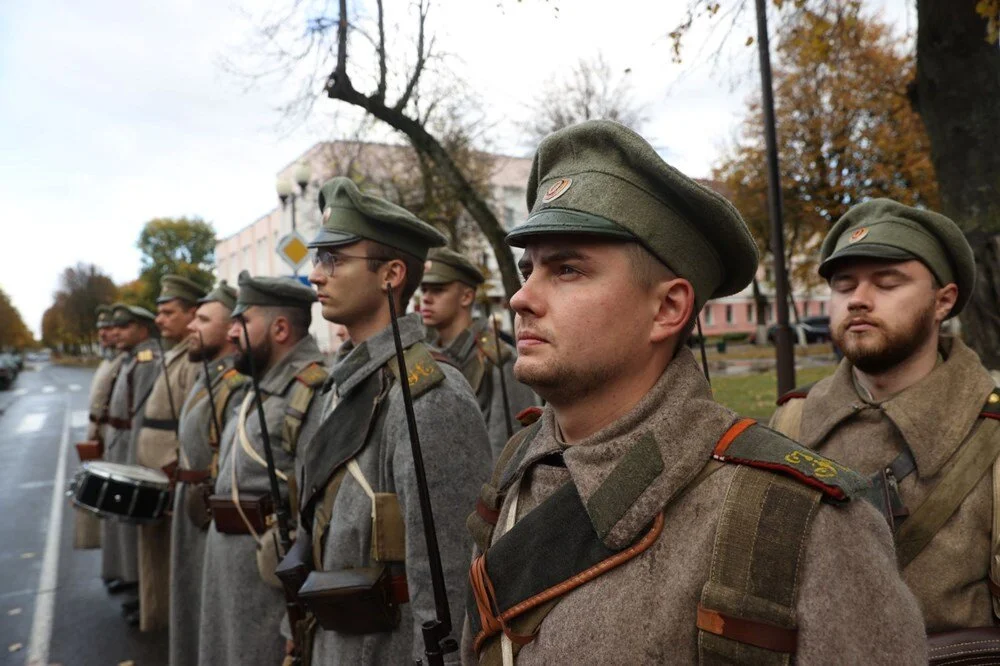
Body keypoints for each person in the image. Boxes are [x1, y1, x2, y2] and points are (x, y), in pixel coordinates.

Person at [461, 121, 926, 664]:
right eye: (528, 270)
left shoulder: (805, 524)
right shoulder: (518, 466)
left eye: (567, 269)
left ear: (668, 309)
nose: (521, 298)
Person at [769, 199, 1000, 641]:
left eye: (887, 283)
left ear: (943, 301)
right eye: (843, 285)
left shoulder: (993, 434)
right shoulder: (790, 425)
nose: (858, 300)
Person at [295, 177, 491, 664]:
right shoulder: (344, 382)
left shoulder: (430, 398)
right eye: (318, 258)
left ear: (392, 274)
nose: (315, 274)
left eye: (333, 259)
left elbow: (448, 584)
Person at [197, 271, 328, 666]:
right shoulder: (262, 386)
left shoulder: (311, 392)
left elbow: (318, 512)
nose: (232, 333)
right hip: (233, 574)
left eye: (243, 322)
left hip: (268, 588)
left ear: (281, 328)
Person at [169, 280, 246, 666]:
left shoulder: (235, 384)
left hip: (210, 511)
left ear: (232, 327)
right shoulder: (208, 375)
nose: (190, 327)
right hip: (193, 509)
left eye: (203, 319)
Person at [133, 275, 206, 631]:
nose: (159, 320)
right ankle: (160, 616)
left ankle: (173, 624)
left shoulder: (192, 360)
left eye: (167, 312)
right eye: (158, 313)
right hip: (158, 477)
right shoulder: (176, 354)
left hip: (172, 478)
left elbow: (196, 428)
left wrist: (179, 471)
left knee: (175, 559)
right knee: (156, 554)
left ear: (192, 313)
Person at [421, 247, 538, 458]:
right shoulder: (424, 358)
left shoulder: (499, 360)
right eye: (424, 289)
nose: (426, 298)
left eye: (437, 290)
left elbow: (507, 449)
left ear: (466, 296)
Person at [101, 303, 160, 623]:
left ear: (142, 329)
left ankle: (141, 591)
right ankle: (132, 583)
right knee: (124, 525)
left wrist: (136, 464)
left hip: (132, 451)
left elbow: (140, 416)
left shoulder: (147, 361)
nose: (117, 332)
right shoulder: (131, 359)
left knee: (137, 530)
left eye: (125, 327)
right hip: (120, 446)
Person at [76, 305, 125, 551]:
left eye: (109, 328)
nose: (104, 334)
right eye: (101, 330)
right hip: (98, 430)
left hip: (110, 433)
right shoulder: (107, 361)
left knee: (112, 497)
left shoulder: (123, 360)